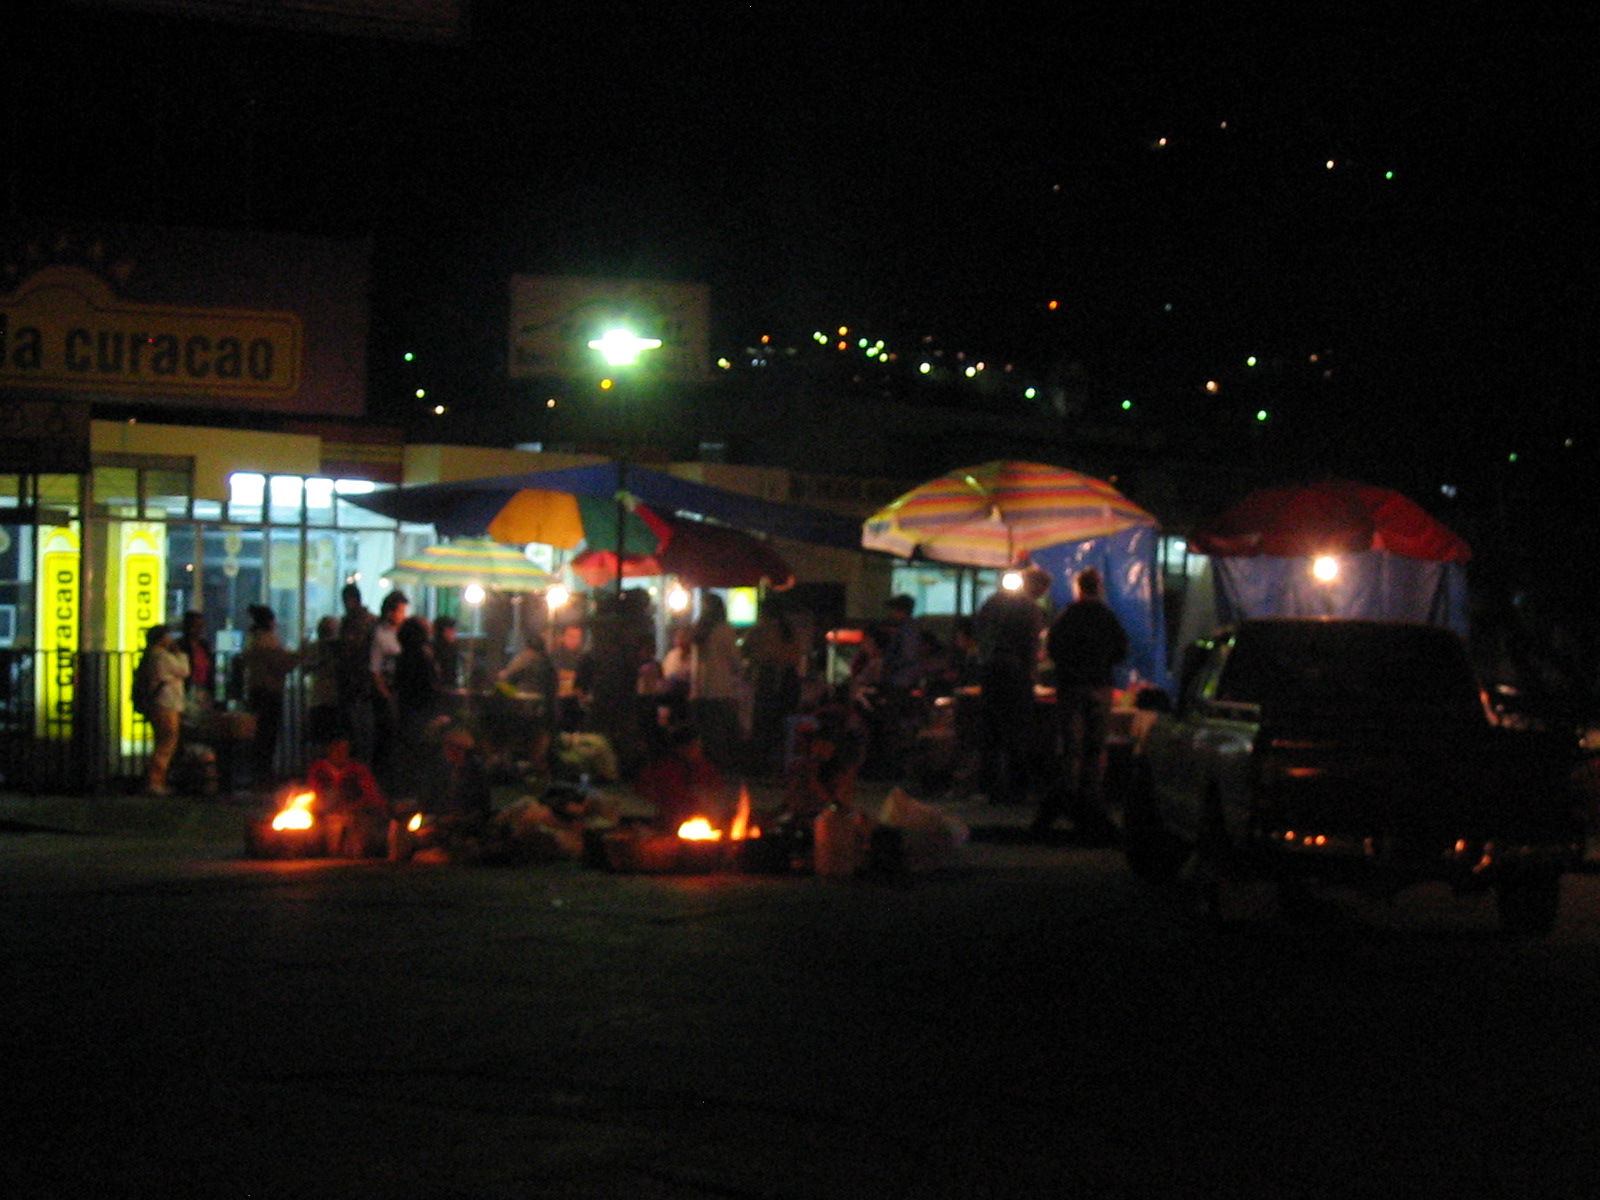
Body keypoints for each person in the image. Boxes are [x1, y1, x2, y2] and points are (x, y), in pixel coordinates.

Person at [1035, 567, 1128, 842]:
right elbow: (1121, 650)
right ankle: (1091, 801)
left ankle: (1065, 797)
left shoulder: (1067, 616)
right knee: (1095, 746)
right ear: (1098, 588)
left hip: (1072, 687)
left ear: (1078, 588)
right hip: (1099, 686)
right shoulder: (1107, 617)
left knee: (1070, 746)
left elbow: (1052, 650)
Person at [972, 564, 1052, 806]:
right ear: (1035, 586)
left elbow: (978, 630)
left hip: (989, 671)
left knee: (991, 731)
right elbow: (1030, 647)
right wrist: (1031, 674)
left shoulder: (993, 601)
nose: (1043, 595)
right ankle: (1016, 788)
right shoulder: (1029, 609)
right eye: (1043, 590)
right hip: (1015, 675)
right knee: (1016, 731)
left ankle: (988, 786)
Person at [239, 604, 300, 787]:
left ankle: (258, 772)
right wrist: (297, 656)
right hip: (269, 691)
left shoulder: (252, 640)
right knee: (267, 734)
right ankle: (263, 773)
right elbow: (281, 664)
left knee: (259, 734)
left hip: (256, 690)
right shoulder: (268, 642)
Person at [305, 731, 387, 857]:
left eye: (344, 749)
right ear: (329, 750)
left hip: (356, 814)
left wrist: (353, 807)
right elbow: (314, 793)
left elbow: (372, 796)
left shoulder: (358, 770)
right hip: (325, 814)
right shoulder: (318, 769)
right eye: (336, 749)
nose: (340, 753)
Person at [689, 593, 744, 771]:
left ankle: (704, 766)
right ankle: (719, 768)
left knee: (704, 731)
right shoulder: (724, 629)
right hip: (719, 688)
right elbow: (736, 659)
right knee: (719, 731)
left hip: (699, 688)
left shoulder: (698, 629)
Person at [634, 722, 723, 833]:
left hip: (702, 820)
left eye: (698, 746)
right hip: (670, 822)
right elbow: (644, 788)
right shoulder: (664, 768)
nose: (697, 749)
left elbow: (715, 792)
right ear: (681, 747)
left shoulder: (705, 767)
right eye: (694, 746)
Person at [136, 624, 190, 796]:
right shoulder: (162, 657)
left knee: (163, 742)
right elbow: (184, 670)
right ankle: (155, 781)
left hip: (160, 704)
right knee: (167, 742)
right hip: (166, 704)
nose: (171, 639)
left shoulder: (151, 656)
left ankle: (155, 780)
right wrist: (179, 653)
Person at [393, 614, 442, 792]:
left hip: (407, 709)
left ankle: (409, 790)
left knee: (410, 752)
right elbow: (430, 685)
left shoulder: (403, 655)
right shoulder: (423, 654)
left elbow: (397, 685)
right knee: (423, 751)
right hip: (422, 710)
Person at [368, 590, 410, 787]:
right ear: (390, 612)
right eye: (400, 611)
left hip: (403, 687)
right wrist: (383, 691)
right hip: (388, 688)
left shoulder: (405, 633)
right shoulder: (381, 634)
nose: (403, 615)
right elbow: (375, 667)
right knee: (387, 733)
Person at [335, 584, 378, 767]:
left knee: (357, 730)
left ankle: (358, 767)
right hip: (364, 683)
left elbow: (350, 650)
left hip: (356, 683)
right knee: (362, 730)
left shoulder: (354, 622)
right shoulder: (372, 621)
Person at [304, 615, 343, 747]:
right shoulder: (339, 649)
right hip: (332, 698)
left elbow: (305, 667)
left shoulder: (314, 648)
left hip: (319, 699)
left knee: (320, 741)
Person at [176, 609, 216, 714]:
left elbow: (209, 667)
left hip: (203, 687)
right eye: (196, 626)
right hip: (188, 687)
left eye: (201, 626)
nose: (199, 630)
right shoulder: (181, 646)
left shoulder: (204, 645)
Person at [432, 614, 463, 690]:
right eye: (453, 630)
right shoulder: (446, 650)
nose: (455, 634)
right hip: (445, 688)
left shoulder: (451, 648)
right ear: (445, 631)